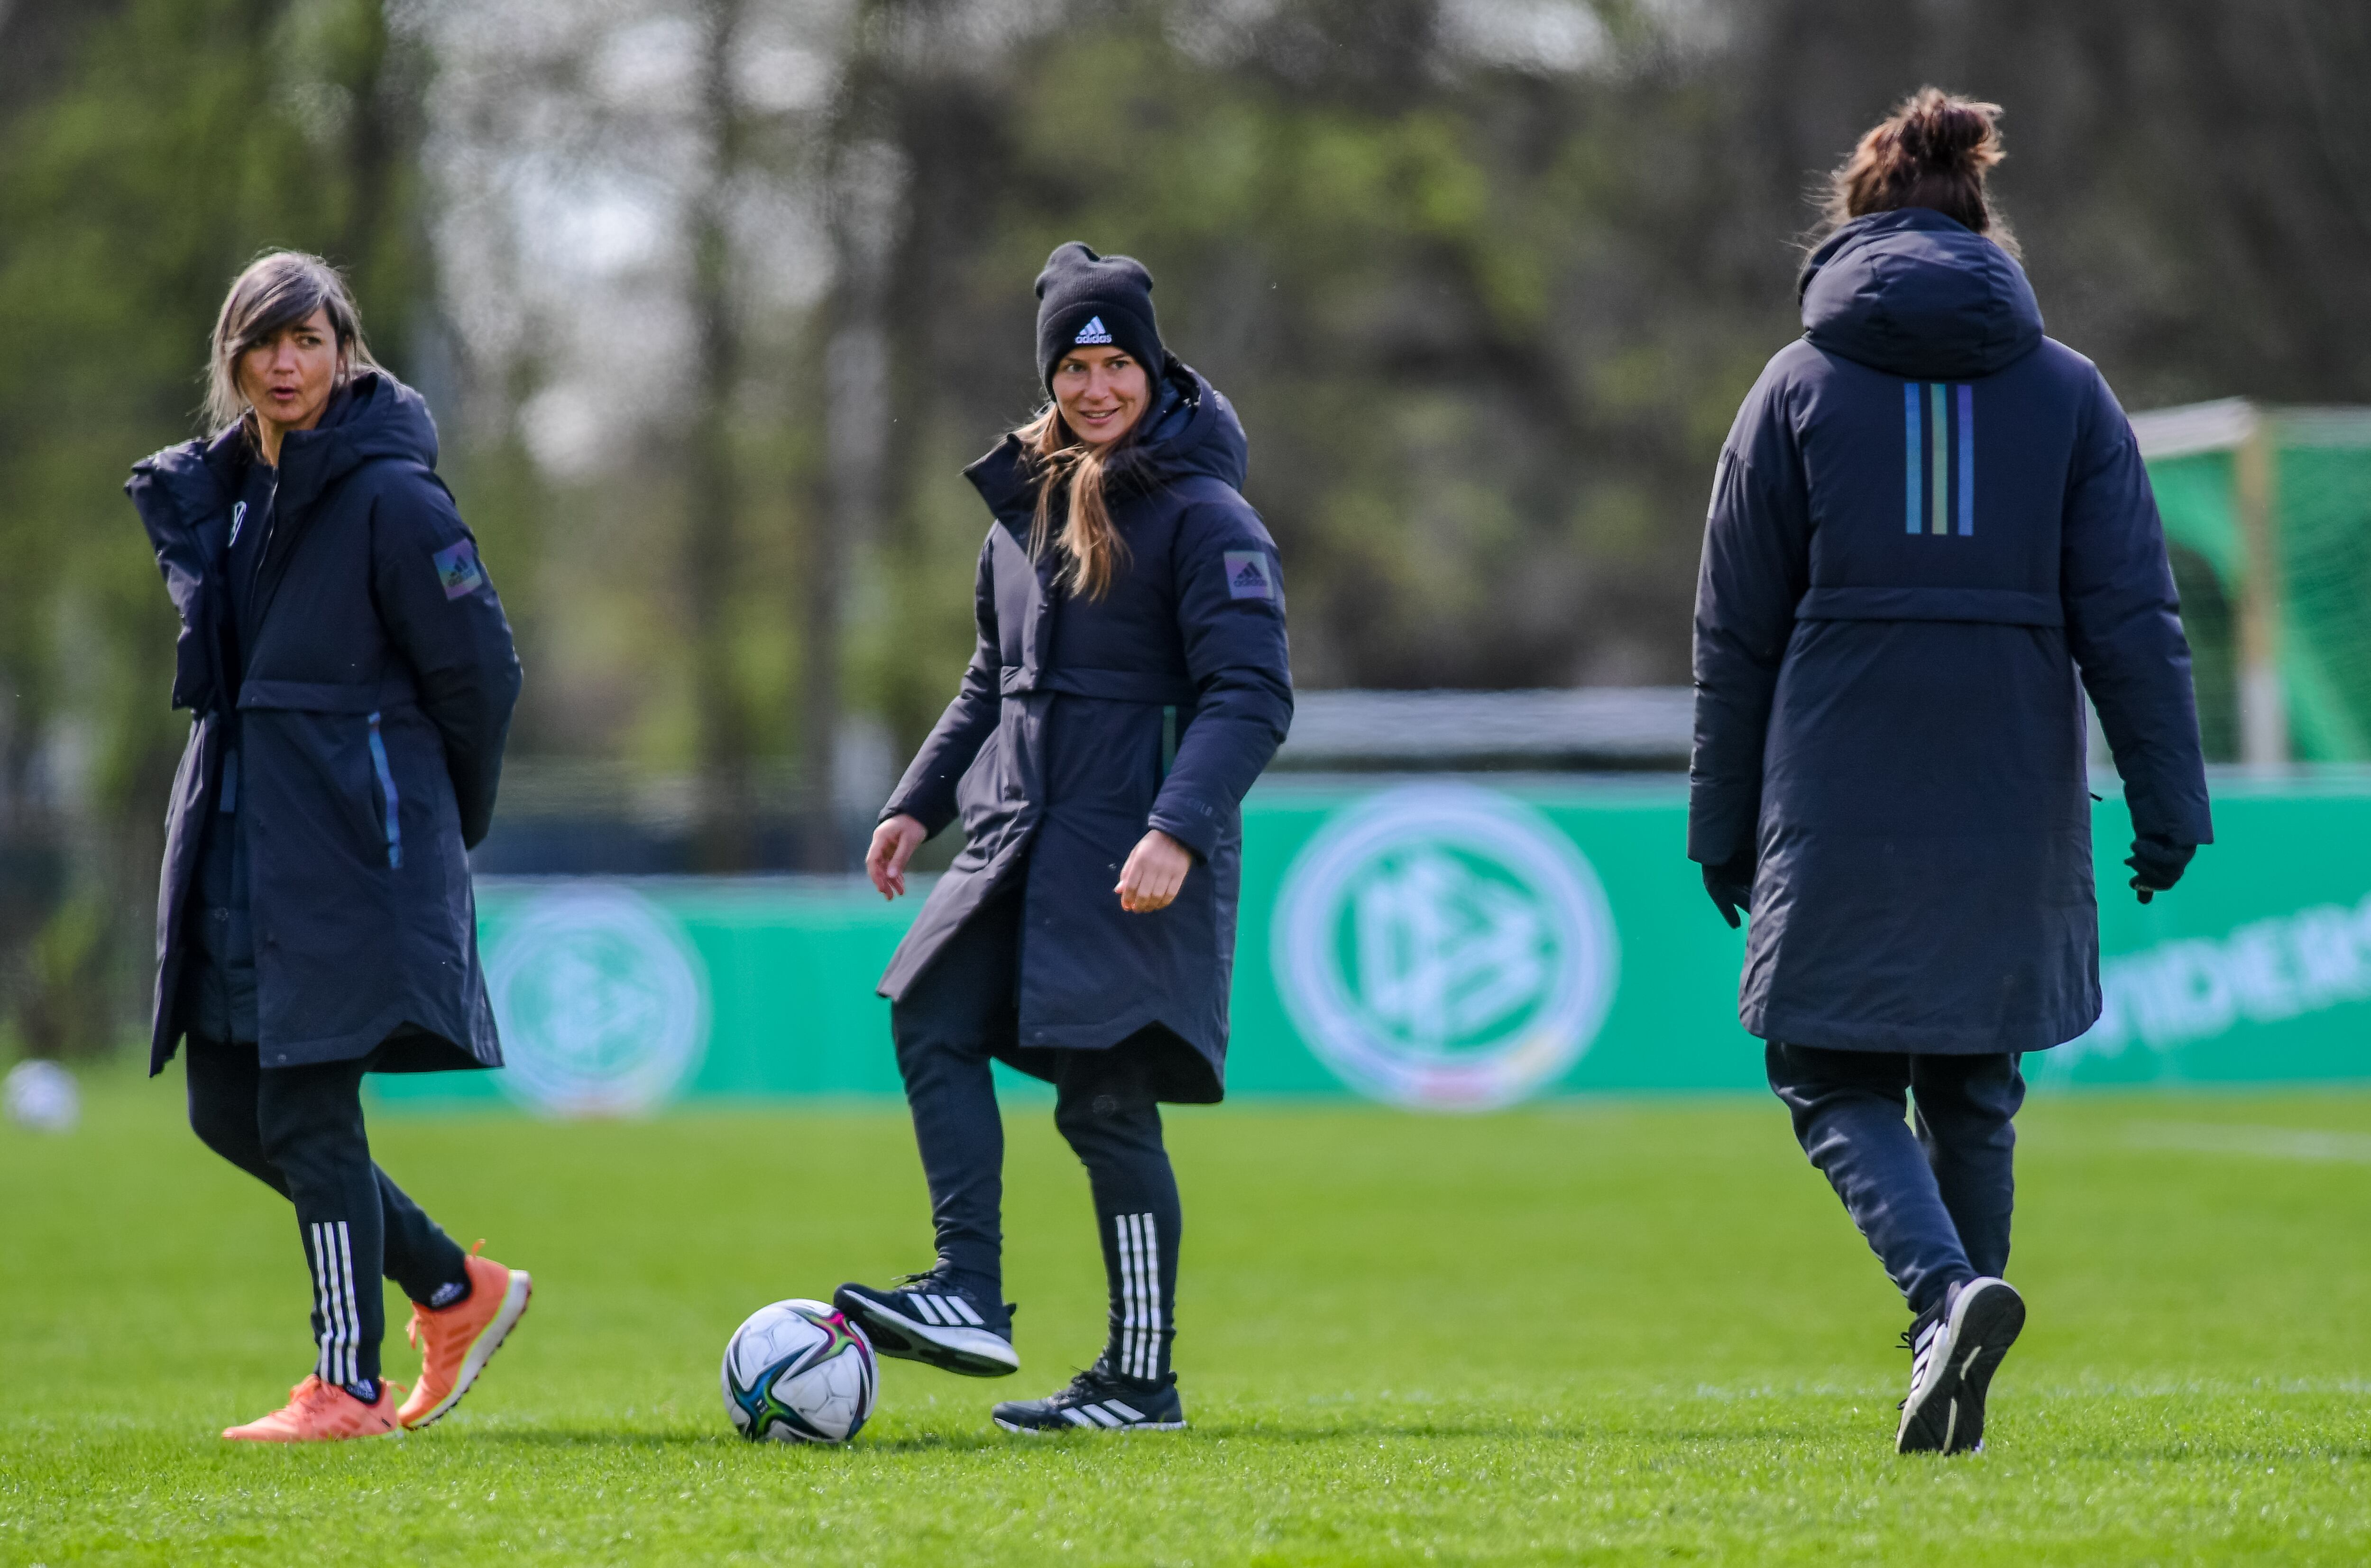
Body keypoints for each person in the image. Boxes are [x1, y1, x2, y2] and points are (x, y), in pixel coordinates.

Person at [1688, 92, 2210, 1455]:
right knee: (1975, 1082)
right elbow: (2133, 616)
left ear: (1850, 224)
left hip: (1838, 783)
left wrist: (1718, 820)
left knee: (1824, 1068)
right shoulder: (2072, 390)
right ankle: (1955, 1353)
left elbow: (1734, 628)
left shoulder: (1793, 385)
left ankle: (1943, 1303)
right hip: (2009, 786)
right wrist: (2169, 798)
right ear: (1986, 226)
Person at [835, 242, 1293, 1434]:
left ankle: (1143, 1379)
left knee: (1104, 1103)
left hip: (1130, 853)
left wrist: (1176, 830)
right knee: (927, 1012)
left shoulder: (1208, 514)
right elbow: (991, 679)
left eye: (1115, 365)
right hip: (1013, 843)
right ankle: (969, 1291)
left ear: (1153, 369)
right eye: (1074, 368)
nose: (1095, 388)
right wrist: (915, 802)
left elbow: (1251, 696)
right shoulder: (1022, 514)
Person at [127, 252, 532, 1442]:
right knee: (228, 1108)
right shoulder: (230, 491)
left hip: (348, 851)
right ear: (234, 361)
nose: (286, 363)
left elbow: (484, 676)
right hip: (236, 838)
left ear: (346, 350)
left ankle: (346, 1387)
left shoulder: (396, 498)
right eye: (264, 343)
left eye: (308, 339)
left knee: (306, 1106)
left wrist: (425, 819)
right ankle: (460, 1290)